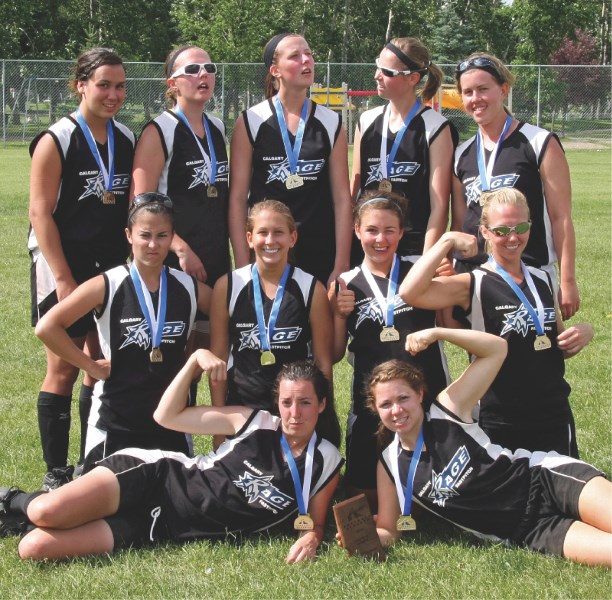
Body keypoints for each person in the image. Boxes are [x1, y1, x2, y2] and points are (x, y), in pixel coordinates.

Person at [0, 358, 343, 564]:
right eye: (286, 403)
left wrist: (312, 538)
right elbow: (167, 416)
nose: (293, 414)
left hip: (162, 527)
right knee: (45, 511)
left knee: (34, 547)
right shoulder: (252, 422)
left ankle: (15, 521)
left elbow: (315, 519)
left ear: (322, 405)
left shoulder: (326, 459)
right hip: (156, 477)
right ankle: (10, 499)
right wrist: (193, 361)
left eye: (305, 403)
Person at [358, 328, 611, 568]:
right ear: (375, 409)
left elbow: (497, 349)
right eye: (386, 404)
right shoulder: (390, 464)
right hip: (529, 530)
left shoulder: (447, 410)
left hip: (547, 481)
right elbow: (389, 530)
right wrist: (360, 539)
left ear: (420, 395)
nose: (397, 410)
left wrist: (438, 333)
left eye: (403, 398)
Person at [399, 188, 593, 456]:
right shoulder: (474, 283)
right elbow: (410, 292)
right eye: (501, 231)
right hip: (502, 416)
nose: (513, 237)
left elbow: (555, 343)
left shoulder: (542, 278)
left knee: (560, 496)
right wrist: (446, 241)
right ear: (485, 232)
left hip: (553, 410)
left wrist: (583, 332)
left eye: (521, 227)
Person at [34, 193, 213, 468]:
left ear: (172, 237)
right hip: (114, 423)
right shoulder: (108, 284)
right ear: (129, 235)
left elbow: (228, 315)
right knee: (108, 507)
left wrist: (196, 357)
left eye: (162, 235)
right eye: (145, 235)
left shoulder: (188, 287)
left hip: (170, 421)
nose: (153, 244)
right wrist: (90, 367)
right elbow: (47, 327)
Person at [28, 48, 136, 489]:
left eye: (120, 86)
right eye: (103, 85)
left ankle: (92, 462)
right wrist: (64, 277)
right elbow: (39, 213)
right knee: (65, 366)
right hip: (62, 260)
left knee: (101, 359)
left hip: (107, 264)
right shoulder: (57, 139)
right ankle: (56, 472)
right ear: (81, 85)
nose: (113, 95)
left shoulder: (126, 138)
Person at [330, 191, 449, 508]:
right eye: (371, 230)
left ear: (402, 231)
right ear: (357, 230)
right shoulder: (346, 282)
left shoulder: (421, 270)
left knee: (440, 495)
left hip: (427, 394)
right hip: (373, 404)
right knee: (362, 500)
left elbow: (452, 322)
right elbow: (336, 352)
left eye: (389, 230)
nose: (380, 239)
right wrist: (339, 315)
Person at [451, 52, 579, 321]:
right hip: (480, 274)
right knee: (483, 357)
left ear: (503, 89)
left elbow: (561, 217)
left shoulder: (539, 142)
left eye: (484, 89)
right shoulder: (462, 153)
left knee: (536, 354)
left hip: (530, 269)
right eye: (468, 92)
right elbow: (461, 222)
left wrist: (567, 281)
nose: (476, 99)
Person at [210, 200, 340, 445]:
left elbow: (323, 361)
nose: (270, 241)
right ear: (249, 238)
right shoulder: (227, 287)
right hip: (243, 410)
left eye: (278, 232)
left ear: (293, 237)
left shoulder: (311, 288)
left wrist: (322, 416)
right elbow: (218, 361)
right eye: (262, 232)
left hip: (294, 414)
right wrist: (219, 424)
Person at [228, 33, 352, 285]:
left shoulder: (331, 122)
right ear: (275, 70)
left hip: (319, 248)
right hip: (268, 247)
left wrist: (341, 263)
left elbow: (341, 198)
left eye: (308, 54)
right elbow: (238, 198)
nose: (306, 60)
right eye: (295, 56)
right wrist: (243, 263)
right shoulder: (251, 121)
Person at [132, 45, 230, 353]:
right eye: (192, 70)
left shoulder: (217, 126)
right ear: (172, 84)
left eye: (209, 68)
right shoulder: (159, 130)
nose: (203, 74)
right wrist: (180, 248)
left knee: (208, 350)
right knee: (175, 354)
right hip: (174, 258)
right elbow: (141, 205)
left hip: (214, 254)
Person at [351, 37, 455, 262]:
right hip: (369, 248)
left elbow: (439, 207)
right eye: (378, 66)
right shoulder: (367, 121)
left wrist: (426, 262)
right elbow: (354, 191)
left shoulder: (435, 127)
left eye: (387, 72)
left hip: (413, 250)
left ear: (413, 78)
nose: (377, 75)